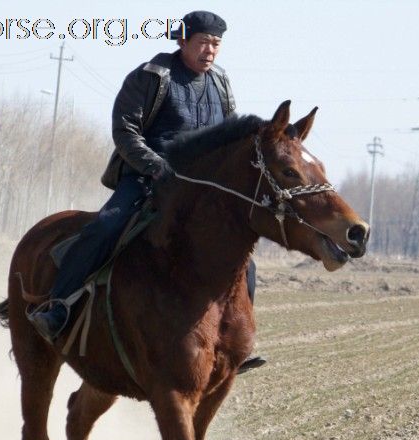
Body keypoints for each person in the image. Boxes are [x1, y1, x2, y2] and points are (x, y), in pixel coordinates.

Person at [31, 11, 265, 372]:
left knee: (243, 259)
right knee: (107, 226)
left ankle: (234, 339)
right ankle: (58, 306)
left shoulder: (221, 83)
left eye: (216, 44)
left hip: (201, 195)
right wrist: (157, 167)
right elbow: (125, 131)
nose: (210, 50)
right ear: (182, 40)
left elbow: (230, 138)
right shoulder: (151, 76)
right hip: (147, 178)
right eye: (202, 41)